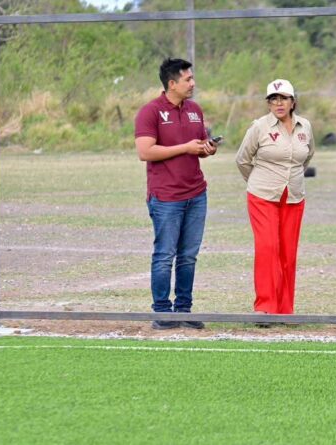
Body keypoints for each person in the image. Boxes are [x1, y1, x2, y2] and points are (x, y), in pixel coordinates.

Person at [134, 58, 218, 330]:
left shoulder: (195, 110)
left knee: (188, 255)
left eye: (192, 78)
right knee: (164, 255)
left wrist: (207, 148)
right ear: (172, 83)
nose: (193, 83)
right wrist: (185, 148)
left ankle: (184, 309)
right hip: (166, 197)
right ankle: (162, 312)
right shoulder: (151, 112)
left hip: (196, 194)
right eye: (188, 79)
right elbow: (145, 152)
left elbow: (198, 145)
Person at [236, 79, 315, 315]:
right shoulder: (259, 127)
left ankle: (284, 309)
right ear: (268, 104)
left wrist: (291, 178)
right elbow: (242, 160)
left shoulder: (305, 126)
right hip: (262, 196)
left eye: (284, 98)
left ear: (293, 101)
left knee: (288, 253)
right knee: (268, 248)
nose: (279, 103)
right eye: (273, 99)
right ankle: (265, 307)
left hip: (293, 197)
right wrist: (259, 181)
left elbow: (307, 156)